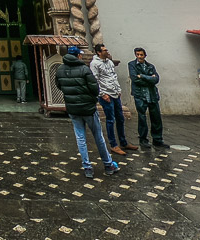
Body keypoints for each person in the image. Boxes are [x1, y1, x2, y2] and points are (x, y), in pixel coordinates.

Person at [55, 45, 120, 178]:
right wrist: (90, 98)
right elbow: (94, 88)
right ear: (78, 55)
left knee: (80, 138)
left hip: (73, 108)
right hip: (88, 108)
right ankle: (108, 164)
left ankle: (87, 167)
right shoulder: (84, 69)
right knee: (98, 136)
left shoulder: (60, 69)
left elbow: (59, 85)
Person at [90, 43, 139, 156]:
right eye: (104, 50)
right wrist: (102, 94)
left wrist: (118, 89)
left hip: (115, 93)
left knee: (120, 118)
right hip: (106, 95)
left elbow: (113, 76)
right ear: (99, 52)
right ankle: (113, 145)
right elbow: (95, 80)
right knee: (110, 120)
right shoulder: (95, 64)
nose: (107, 51)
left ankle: (123, 142)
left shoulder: (110, 62)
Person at [128, 47, 169, 149]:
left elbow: (156, 79)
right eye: (137, 55)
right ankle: (143, 139)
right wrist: (149, 78)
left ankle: (157, 139)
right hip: (140, 95)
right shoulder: (132, 65)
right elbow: (135, 79)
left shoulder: (150, 66)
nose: (139, 57)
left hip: (152, 94)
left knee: (156, 118)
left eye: (141, 55)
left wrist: (142, 76)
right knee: (142, 118)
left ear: (145, 55)